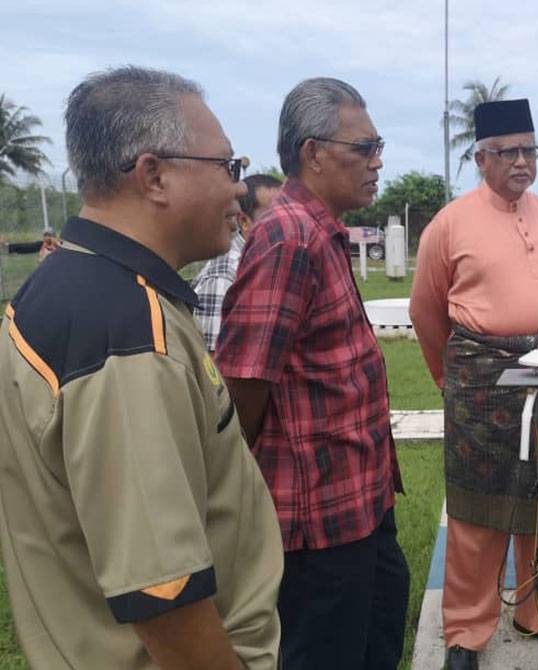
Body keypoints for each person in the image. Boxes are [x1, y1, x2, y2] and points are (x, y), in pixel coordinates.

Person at [0, 66, 282, 669]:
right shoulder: (126, 334)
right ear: (154, 175)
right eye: (227, 167)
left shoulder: (67, 284)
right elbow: (163, 593)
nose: (240, 189)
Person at [214, 77, 408, 670]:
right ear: (313, 152)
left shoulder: (322, 232)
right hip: (318, 517)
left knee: (376, 631)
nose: (378, 162)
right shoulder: (289, 237)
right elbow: (244, 381)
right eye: (365, 148)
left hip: (360, 498)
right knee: (326, 651)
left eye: (379, 147)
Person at [410, 98, 538, 670]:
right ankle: (466, 631)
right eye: (506, 151)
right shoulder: (451, 221)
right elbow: (426, 310)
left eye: (529, 149)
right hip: (482, 379)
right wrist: (449, 376)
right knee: (477, 511)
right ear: (480, 157)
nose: (521, 161)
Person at [192, 173, 282, 351]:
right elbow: (213, 361)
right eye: (274, 216)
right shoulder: (223, 277)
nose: (285, 222)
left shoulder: (274, 262)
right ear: (244, 221)